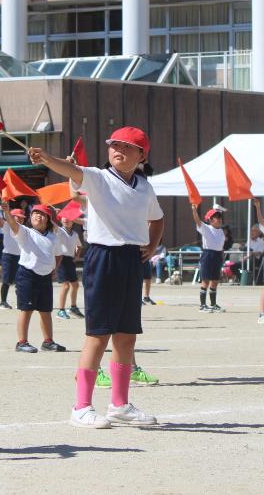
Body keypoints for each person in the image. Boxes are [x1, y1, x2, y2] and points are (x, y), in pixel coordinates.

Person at [28, 126, 163, 428]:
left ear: (141, 155)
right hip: (104, 258)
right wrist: (48, 158)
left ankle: (119, 404)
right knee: (98, 335)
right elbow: (73, 170)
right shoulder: (100, 178)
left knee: (127, 336)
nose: (118, 150)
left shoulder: (144, 186)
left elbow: (158, 218)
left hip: (131, 260)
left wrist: (152, 245)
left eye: (127, 147)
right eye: (114, 144)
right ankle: (81, 407)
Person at [3, 200, 65, 353]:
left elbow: (58, 254)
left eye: (43, 214)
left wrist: (54, 269)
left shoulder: (53, 237)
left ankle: (48, 341)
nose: (39, 216)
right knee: (26, 309)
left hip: (45, 277)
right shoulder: (25, 232)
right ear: (30, 217)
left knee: (46, 311)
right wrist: (6, 213)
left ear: (48, 220)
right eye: (36, 213)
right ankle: (22, 342)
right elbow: (13, 224)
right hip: (27, 275)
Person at [0, 206, 26, 309]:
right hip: (8, 256)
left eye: (22, 217)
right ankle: (3, 302)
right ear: (12, 217)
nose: (21, 219)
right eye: (19, 217)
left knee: (20, 281)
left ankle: (20, 302)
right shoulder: (7, 225)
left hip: (20, 257)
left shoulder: (23, 229)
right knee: (6, 280)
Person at [191, 205, 226, 313]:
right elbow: (197, 221)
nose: (219, 219)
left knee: (215, 281)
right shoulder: (206, 228)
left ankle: (213, 304)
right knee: (205, 281)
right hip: (208, 255)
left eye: (220, 217)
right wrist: (194, 210)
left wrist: (222, 256)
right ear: (210, 220)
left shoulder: (221, 231)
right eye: (216, 217)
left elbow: (221, 246)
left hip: (218, 255)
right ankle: (202, 305)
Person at [55, 212, 85, 319]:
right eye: (64, 217)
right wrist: (56, 213)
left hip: (70, 260)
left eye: (69, 217)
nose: (66, 219)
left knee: (75, 285)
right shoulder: (59, 230)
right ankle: (60, 310)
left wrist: (77, 256)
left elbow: (79, 246)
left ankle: (73, 307)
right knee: (66, 285)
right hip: (61, 259)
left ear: (73, 221)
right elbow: (52, 224)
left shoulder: (75, 234)